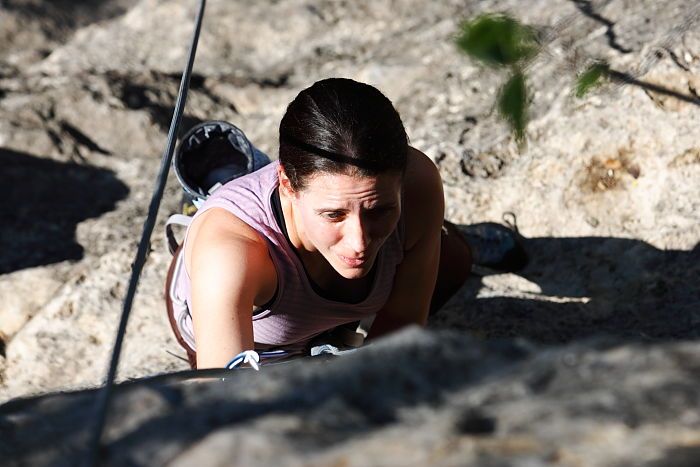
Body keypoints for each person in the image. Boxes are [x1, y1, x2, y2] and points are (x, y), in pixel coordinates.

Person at [165, 78, 526, 369]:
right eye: (334, 214)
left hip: (325, 303)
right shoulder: (230, 253)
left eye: (379, 210)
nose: (359, 241)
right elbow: (221, 404)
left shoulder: (418, 181)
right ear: (288, 186)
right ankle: (223, 185)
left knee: (453, 260)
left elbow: (400, 331)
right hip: (267, 337)